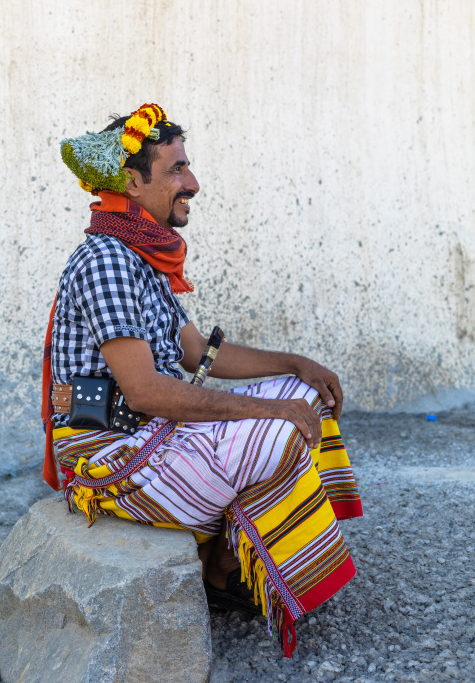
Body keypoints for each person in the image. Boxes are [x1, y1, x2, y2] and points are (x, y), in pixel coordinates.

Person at [42, 103, 363, 656]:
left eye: (186, 167)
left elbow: (193, 353)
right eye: (175, 170)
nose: (192, 183)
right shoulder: (108, 262)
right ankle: (220, 568)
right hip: (115, 451)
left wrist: (294, 364)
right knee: (282, 431)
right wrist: (264, 412)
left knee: (307, 396)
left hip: (158, 430)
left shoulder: (141, 255)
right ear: (130, 181)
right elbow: (144, 391)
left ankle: (223, 560)